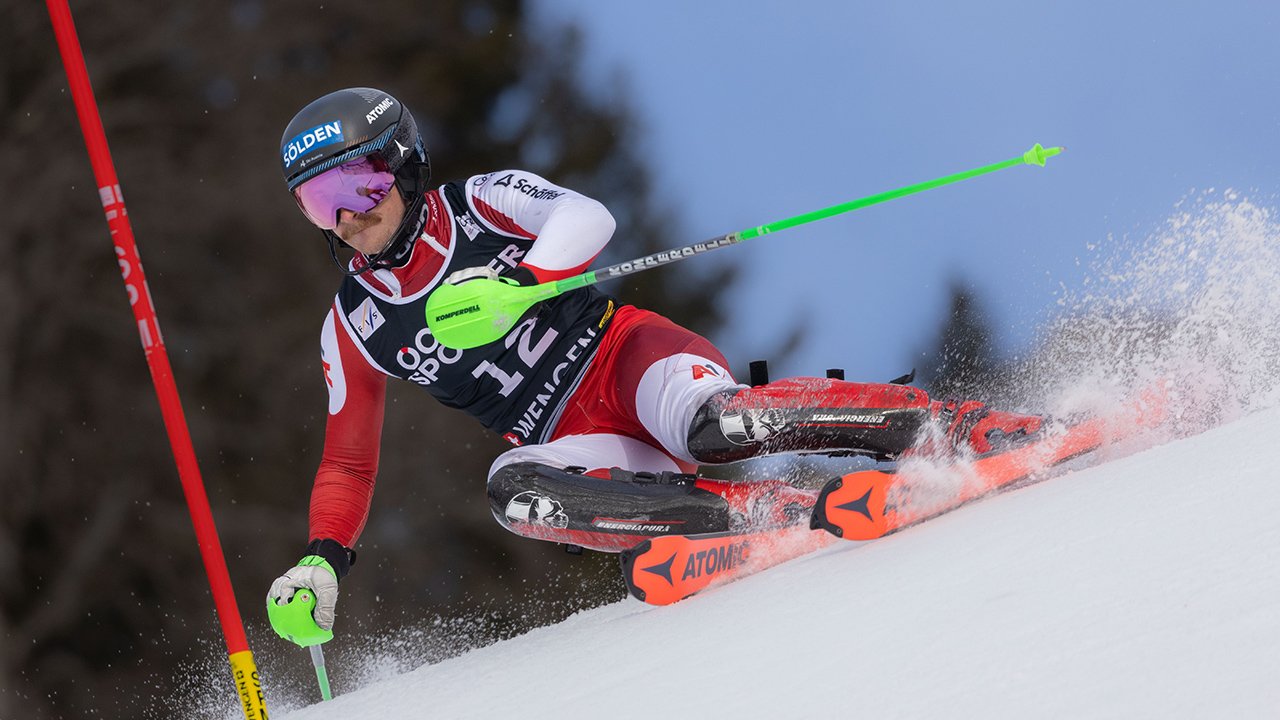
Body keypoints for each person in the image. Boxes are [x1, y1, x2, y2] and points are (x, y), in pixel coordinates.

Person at [266, 87, 1043, 638]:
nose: (347, 214)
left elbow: (585, 214)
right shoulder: (355, 325)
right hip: (576, 440)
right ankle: (756, 518)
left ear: (401, 166)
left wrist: (522, 282)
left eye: (356, 183)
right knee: (514, 492)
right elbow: (349, 464)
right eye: (317, 202)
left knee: (720, 425)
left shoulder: (478, 204)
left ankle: (947, 424)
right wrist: (323, 559)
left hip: (629, 361)